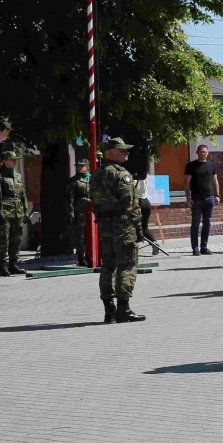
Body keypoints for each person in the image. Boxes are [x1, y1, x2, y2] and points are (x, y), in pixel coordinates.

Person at [88, 138, 143, 322]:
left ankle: (108, 310)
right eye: (122, 150)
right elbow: (129, 204)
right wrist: (138, 225)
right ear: (110, 152)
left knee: (108, 267)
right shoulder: (121, 174)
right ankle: (123, 309)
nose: (126, 152)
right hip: (123, 227)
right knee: (126, 264)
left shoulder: (96, 174)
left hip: (106, 226)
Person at [0, 150, 29, 276]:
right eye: (12, 160)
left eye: (15, 160)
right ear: (5, 161)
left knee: (16, 239)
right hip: (6, 211)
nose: (15, 162)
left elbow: (23, 194)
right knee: (3, 240)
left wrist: (26, 211)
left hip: (18, 211)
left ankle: (13, 264)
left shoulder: (17, 176)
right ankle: (3, 266)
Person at [183, 144, 219, 256]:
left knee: (207, 223)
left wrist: (217, 195)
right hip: (196, 198)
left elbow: (215, 181)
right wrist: (188, 197)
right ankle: (195, 248)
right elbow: (186, 182)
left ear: (208, 153)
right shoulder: (191, 165)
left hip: (209, 197)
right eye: (201, 151)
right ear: (197, 152)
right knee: (195, 223)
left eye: (205, 152)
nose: (204, 153)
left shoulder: (211, 165)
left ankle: (204, 247)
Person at [69, 157, 92, 266]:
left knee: (92, 234)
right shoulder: (74, 181)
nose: (79, 168)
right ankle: (81, 258)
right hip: (80, 210)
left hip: (92, 211)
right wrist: (71, 211)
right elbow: (71, 198)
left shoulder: (92, 179)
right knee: (80, 236)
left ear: (87, 167)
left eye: (82, 166)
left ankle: (92, 255)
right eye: (78, 166)